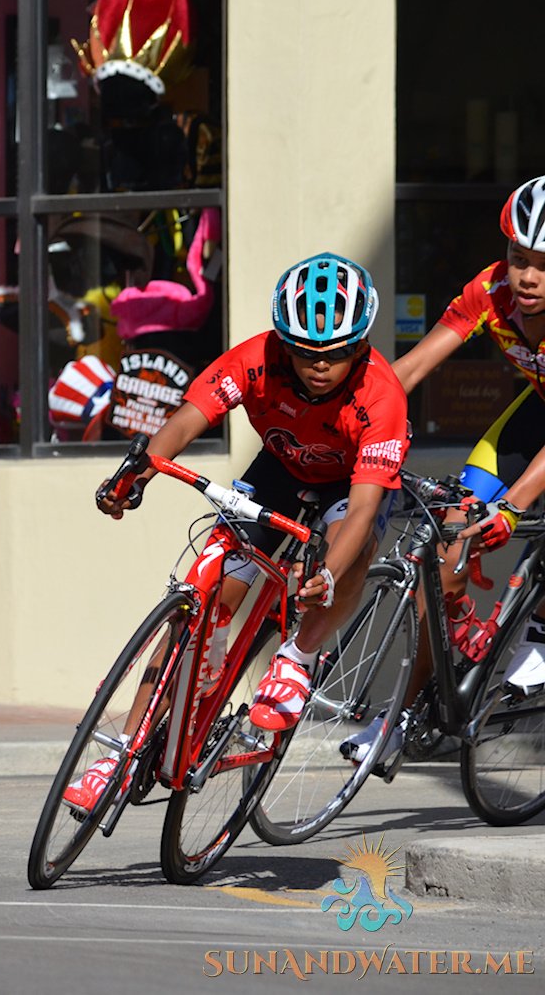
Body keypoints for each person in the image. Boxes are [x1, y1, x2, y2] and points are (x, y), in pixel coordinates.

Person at [66, 253, 410, 811]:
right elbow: (185, 418)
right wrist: (137, 473)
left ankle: (297, 657)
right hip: (276, 473)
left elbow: (367, 507)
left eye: (337, 353)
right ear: (283, 341)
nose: (319, 366)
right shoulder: (257, 359)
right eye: (305, 352)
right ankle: (120, 753)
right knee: (196, 610)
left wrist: (324, 571)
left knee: (351, 546)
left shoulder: (381, 395)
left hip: (349, 486)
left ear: (362, 345)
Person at [340, 175, 545, 764]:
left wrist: (514, 506)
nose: (526, 277)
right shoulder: (492, 290)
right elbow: (410, 369)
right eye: (518, 259)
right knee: (451, 531)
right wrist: (350, 428)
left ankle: (538, 632)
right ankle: (399, 717)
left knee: (522, 514)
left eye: (543, 265)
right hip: (536, 412)